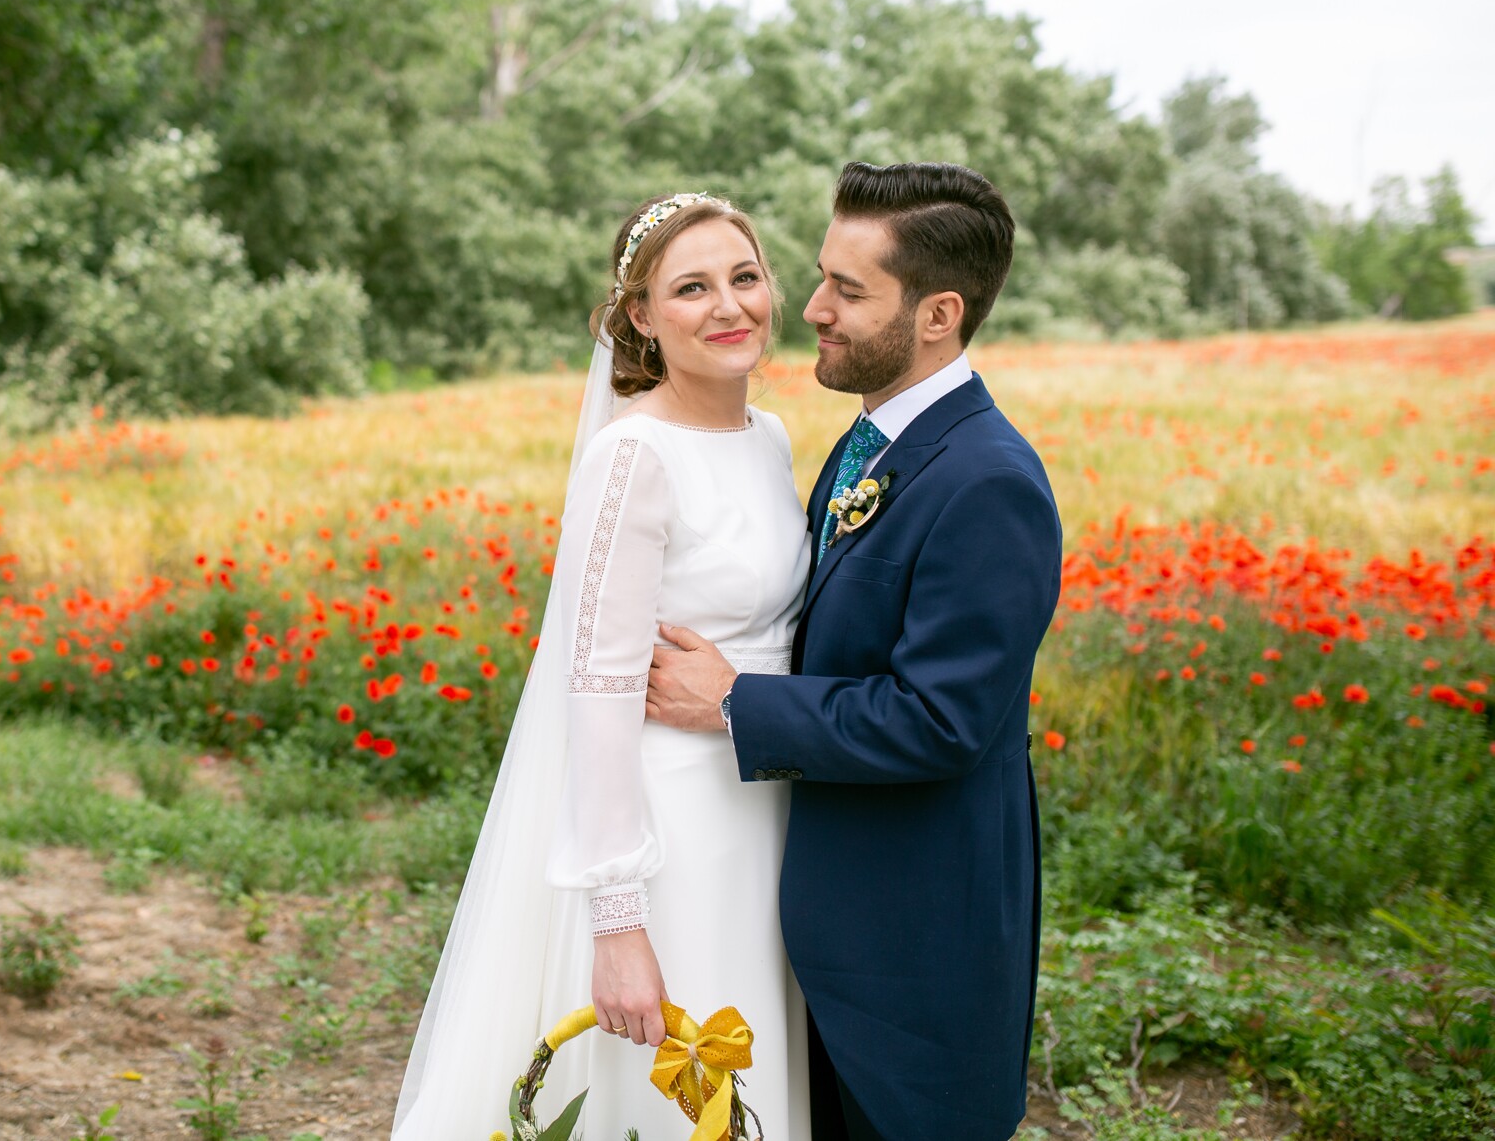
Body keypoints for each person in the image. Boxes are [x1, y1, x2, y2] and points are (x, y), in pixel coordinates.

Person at [646, 161, 1062, 1141]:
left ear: (936, 313)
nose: (813, 307)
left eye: (848, 289)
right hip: (822, 922)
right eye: (822, 275)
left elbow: (939, 720)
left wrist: (735, 701)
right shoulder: (864, 440)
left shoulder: (987, 481)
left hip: (913, 944)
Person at [393, 193, 812, 1138]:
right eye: (691, 287)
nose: (728, 306)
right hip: (673, 829)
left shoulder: (773, 437)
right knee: (668, 1085)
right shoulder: (633, 456)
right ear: (641, 317)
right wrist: (618, 923)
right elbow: (598, 690)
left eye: (744, 277)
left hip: (767, 809)